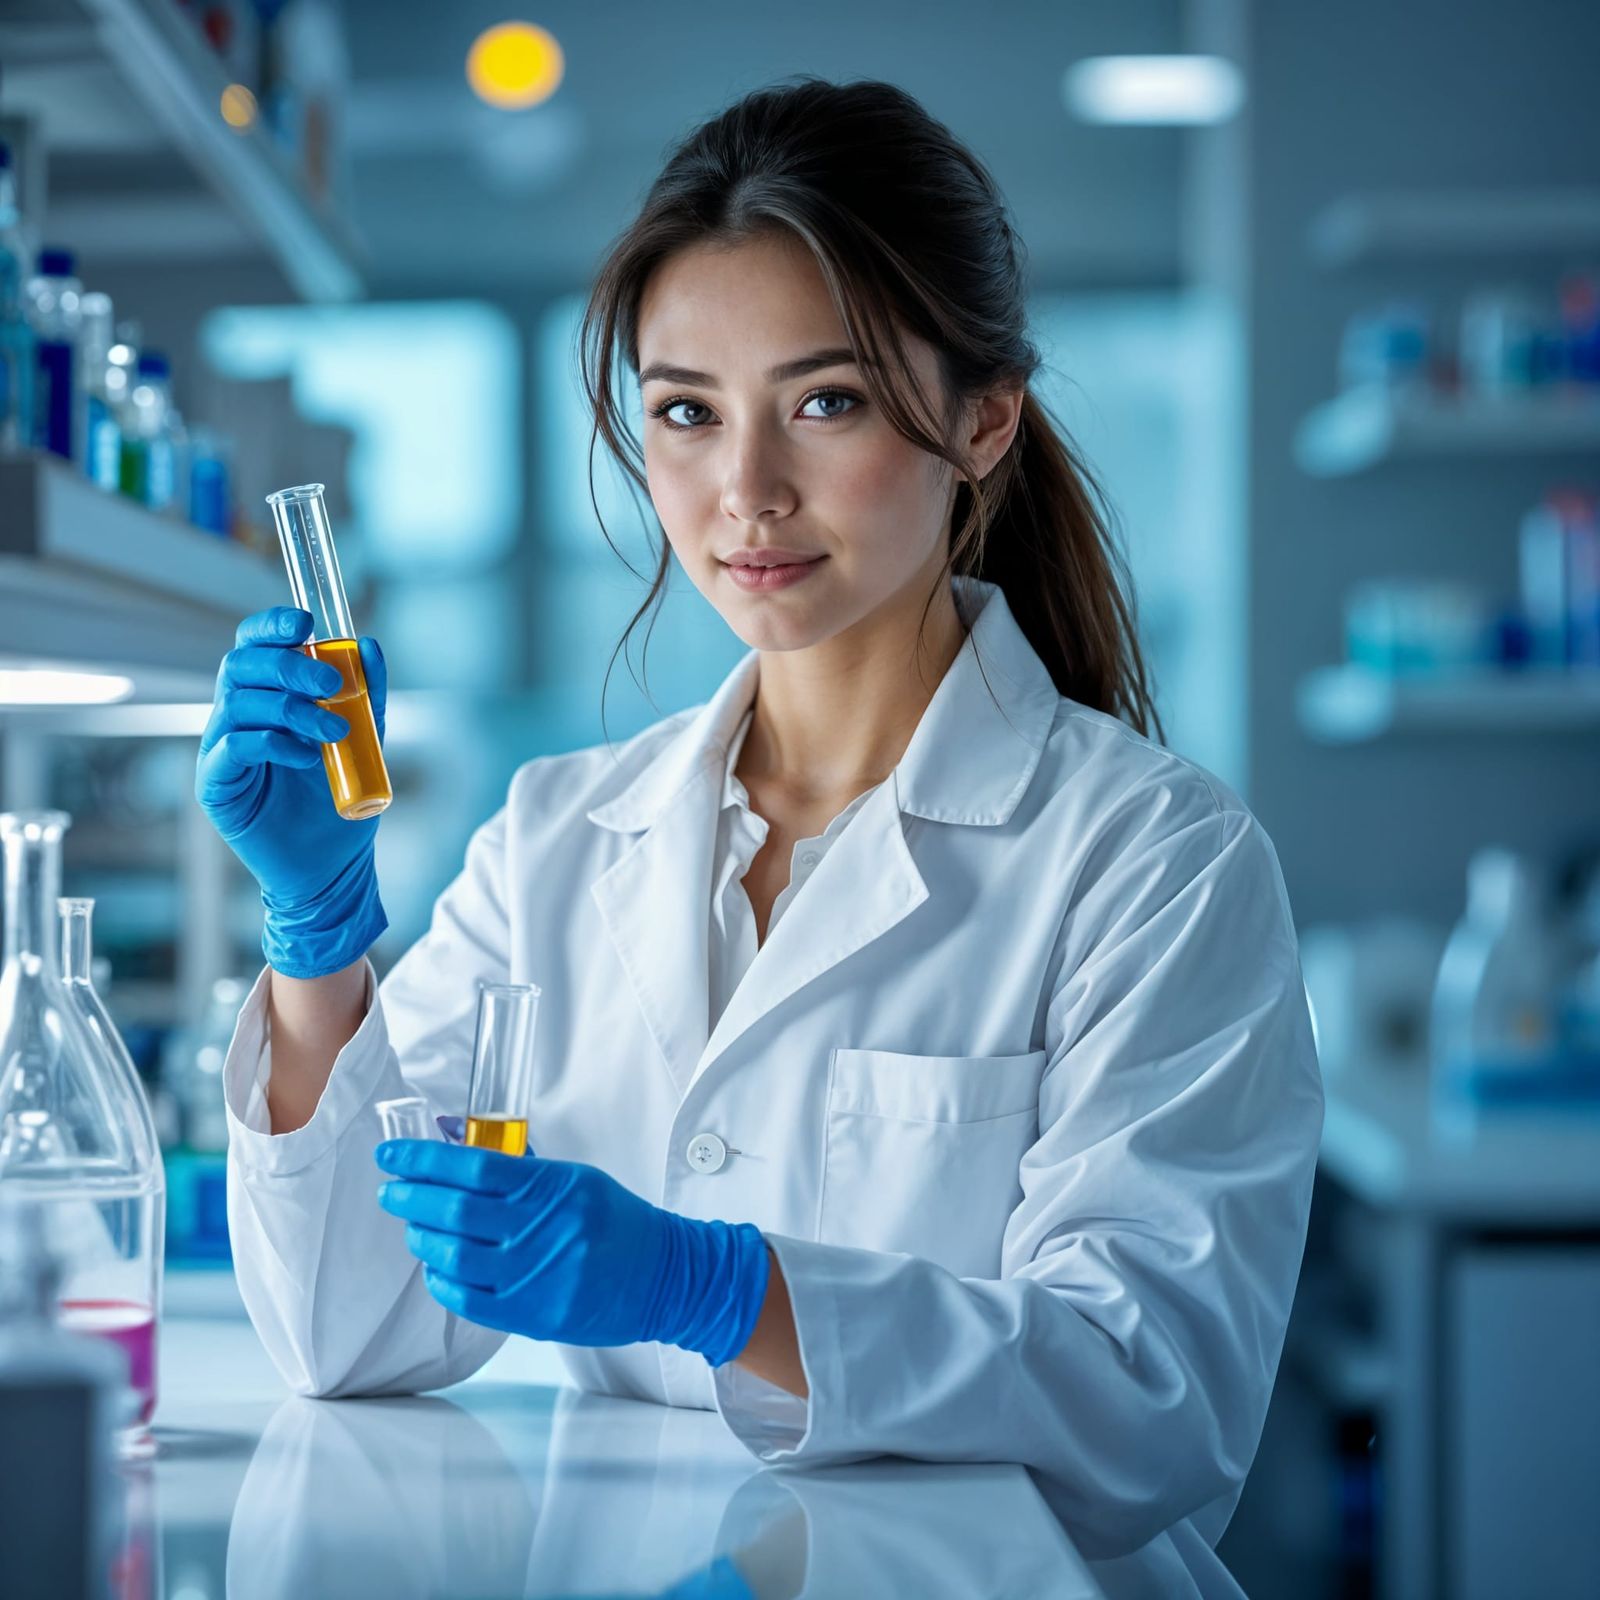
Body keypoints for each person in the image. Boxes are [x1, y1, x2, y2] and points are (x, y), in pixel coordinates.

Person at [196, 75, 1322, 1593]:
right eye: (686, 412)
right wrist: (317, 940)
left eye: (825, 401)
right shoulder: (557, 840)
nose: (745, 492)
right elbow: (351, 1330)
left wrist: (718, 1287)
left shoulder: (1154, 862)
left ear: (983, 418)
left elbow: (1152, 1398)